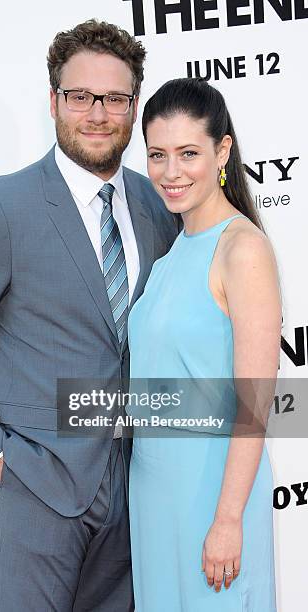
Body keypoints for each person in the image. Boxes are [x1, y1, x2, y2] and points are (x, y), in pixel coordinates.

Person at [0, 19, 179, 612]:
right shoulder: (2, 207)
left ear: (134, 107)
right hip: (37, 484)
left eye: (114, 98)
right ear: (54, 100)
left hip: (137, 487)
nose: (98, 113)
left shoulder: (157, 205)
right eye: (80, 96)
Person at [127, 78, 281, 611]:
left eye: (188, 153)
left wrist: (228, 520)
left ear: (222, 150)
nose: (171, 173)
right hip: (154, 495)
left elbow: (255, 402)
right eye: (157, 155)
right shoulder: (172, 255)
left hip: (213, 497)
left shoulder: (243, 250)